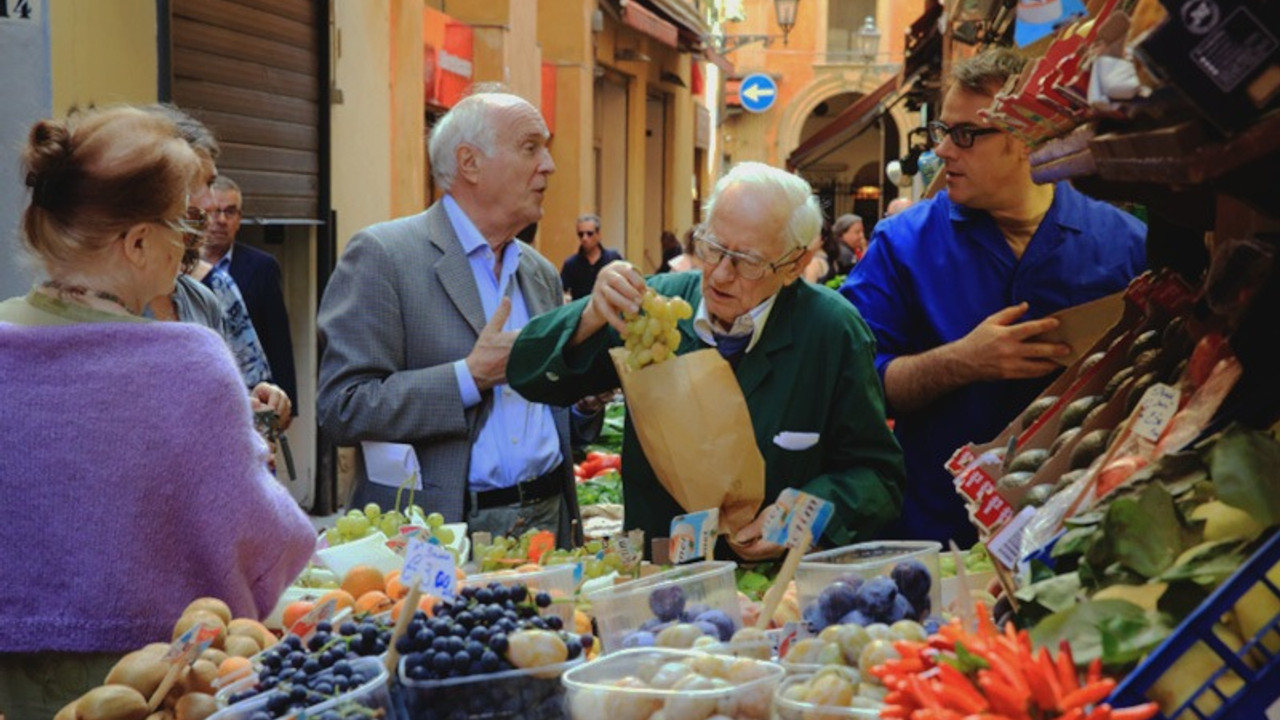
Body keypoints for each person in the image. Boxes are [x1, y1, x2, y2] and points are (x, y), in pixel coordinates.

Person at [0, 106, 315, 717]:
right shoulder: (189, 362)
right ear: (139, 241)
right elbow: (254, 530)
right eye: (183, 222)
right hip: (158, 678)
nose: (190, 242)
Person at [508, 161, 905, 560]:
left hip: (771, 591)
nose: (718, 275)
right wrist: (589, 315)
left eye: (746, 261)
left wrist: (803, 516)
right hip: (658, 579)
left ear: (794, 265)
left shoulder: (831, 331)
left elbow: (876, 476)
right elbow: (528, 374)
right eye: (712, 248)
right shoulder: (656, 308)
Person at [839, 47, 1147, 547]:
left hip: (1083, 536)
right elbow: (853, 384)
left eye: (965, 135)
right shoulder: (902, 244)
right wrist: (963, 361)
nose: (942, 152)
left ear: (1028, 137)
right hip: (936, 538)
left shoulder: (1125, 245)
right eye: (942, 132)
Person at [317, 89, 581, 545]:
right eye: (530, 147)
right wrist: (469, 377)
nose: (548, 165)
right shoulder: (384, 256)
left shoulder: (538, 272)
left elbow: (550, 415)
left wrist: (585, 398)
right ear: (469, 163)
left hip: (550, 523)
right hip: (447, 532)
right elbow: (344, 406)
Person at [201, 175, 298, 412]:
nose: (221, 220)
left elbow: (278, 341)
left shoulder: (262, 267)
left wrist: (284, 407)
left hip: (248, 397)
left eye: (230, 212)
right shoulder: (178, 269)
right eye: (214, 211)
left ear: (240, 219)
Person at [560, 213, 622, 300]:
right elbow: (561, 291)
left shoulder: (613, 258)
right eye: (581, 234)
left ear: (598, 234)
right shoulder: (571, 264)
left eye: (589, 234)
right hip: (583, 311)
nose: (584, 238)